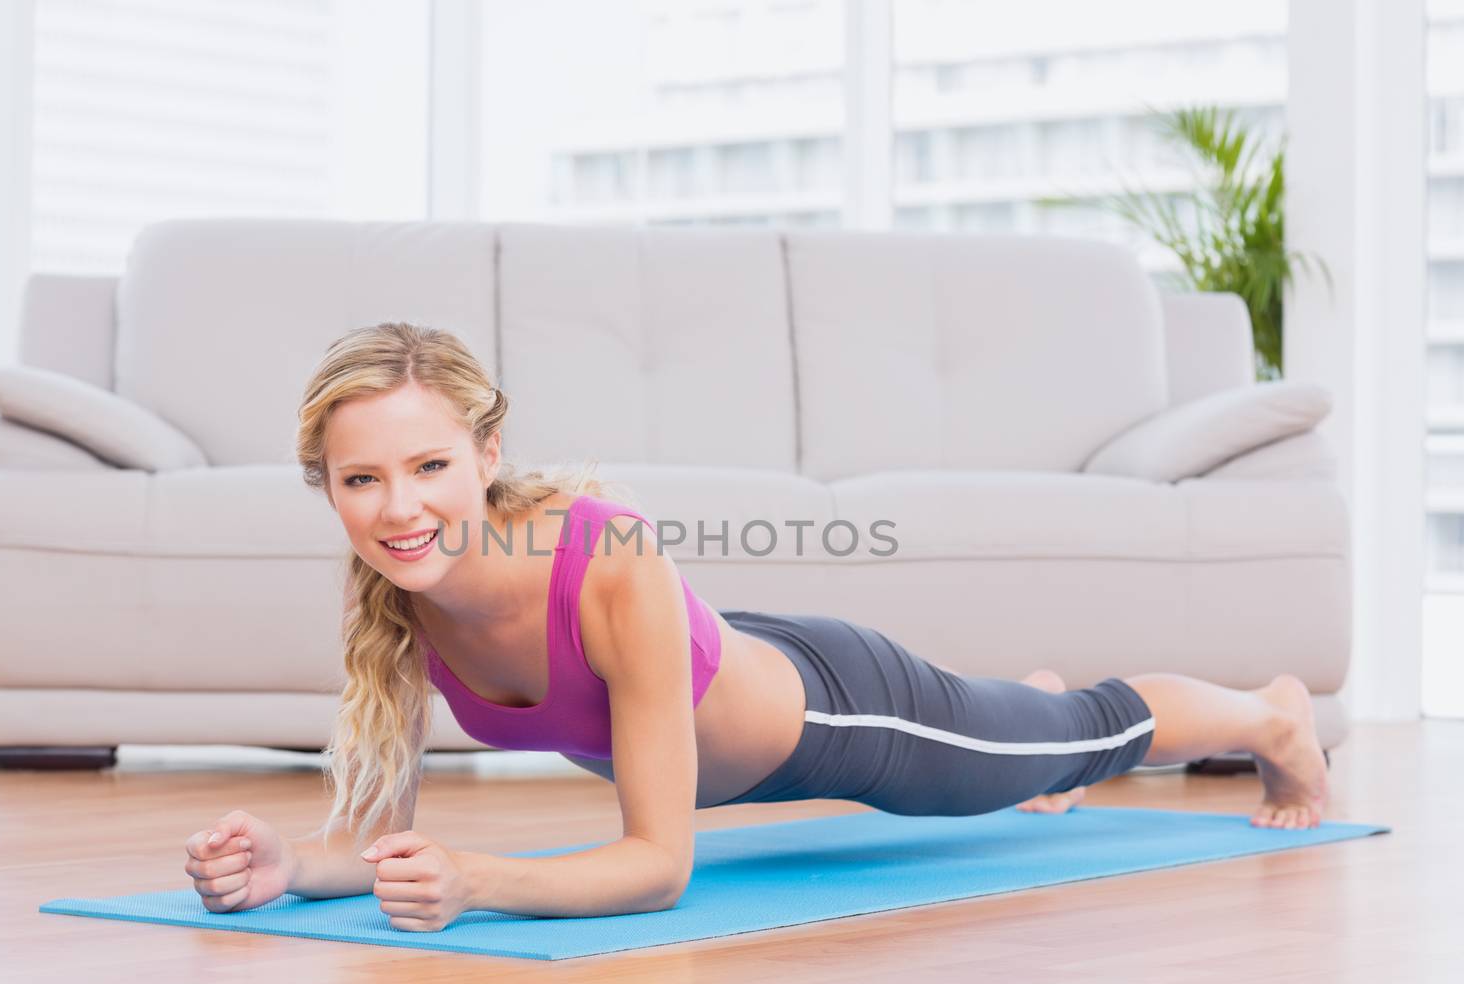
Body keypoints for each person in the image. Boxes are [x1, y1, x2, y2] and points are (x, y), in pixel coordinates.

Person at [184, 322, 1330, 932]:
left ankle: (1268, 714)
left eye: (429, 465)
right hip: (731, 657)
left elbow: (656, 864)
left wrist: (479, 878)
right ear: (325, 486)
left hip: (847, 714)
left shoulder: (605, 554)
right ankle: (1008, 716)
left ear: (488, 453)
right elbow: (374, 838)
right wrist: (288, 866)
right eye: (360, 479)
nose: (397, 507)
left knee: (1076, 728)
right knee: (1017, 730)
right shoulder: (388, 580)